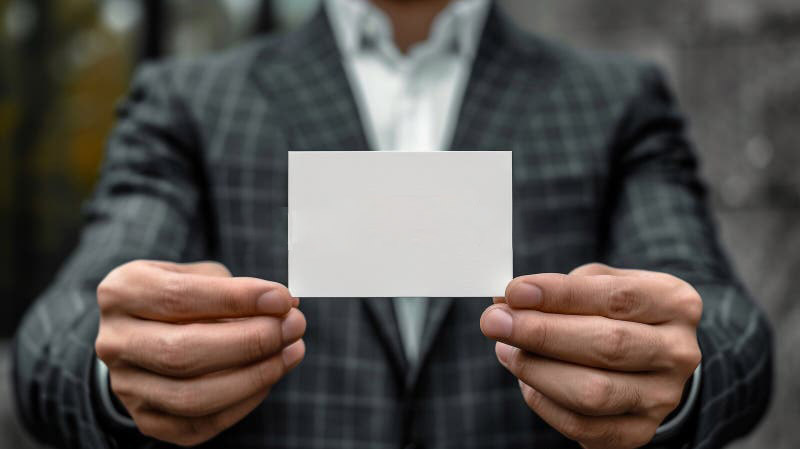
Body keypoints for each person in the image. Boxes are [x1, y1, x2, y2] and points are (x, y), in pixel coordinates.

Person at [13, 0, 772, 448]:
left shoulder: (616, 98)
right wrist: (115, 371)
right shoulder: (188, 98)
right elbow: (63, 325)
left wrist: (680, 374)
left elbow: (728, 323)